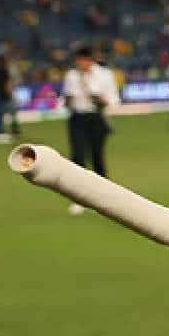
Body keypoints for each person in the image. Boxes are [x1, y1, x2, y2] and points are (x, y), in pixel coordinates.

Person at [61, 45, 121, 215]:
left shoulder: (104, 75)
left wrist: (101, 100)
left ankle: (104, 197)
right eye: (78, 61)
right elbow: (65, 100)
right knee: (77, 157)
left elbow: (114, 99)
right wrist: (67, 100)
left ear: (90, 60)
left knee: (97, 157)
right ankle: (79, 198)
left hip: (96, 117)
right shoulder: (72, 76)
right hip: (77, 118)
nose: (81, 64)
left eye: (84, 61)